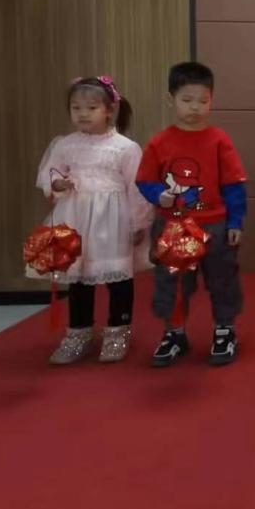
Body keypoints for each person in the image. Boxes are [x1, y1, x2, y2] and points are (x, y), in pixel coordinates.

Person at [31, 76, 152, 364]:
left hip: (112, 221)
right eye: (76, 108)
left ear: (109, 110)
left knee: (118, 277)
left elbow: (137, 188)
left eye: (91, 108)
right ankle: (79, 332)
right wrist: (57, 183)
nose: (83, 114)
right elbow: (50, 172)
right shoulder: (65, 145)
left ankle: (118, 331)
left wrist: (138, 223)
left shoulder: (125, 147)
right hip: (75, 219)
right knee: (78, 277)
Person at [136, 61, 247, 367]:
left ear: (211, 100)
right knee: (171, 281)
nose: (195, 107)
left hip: (216, 225)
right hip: (172, 226)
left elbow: (234, 184)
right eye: (187, 100)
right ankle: (174, 333)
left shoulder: (219, 140)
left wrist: (236, 221)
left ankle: (225, 330)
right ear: (171, 98)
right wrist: (159, 194)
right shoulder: (159, 142)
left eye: (202, 100)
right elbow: (144, 180)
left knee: (223, 279)